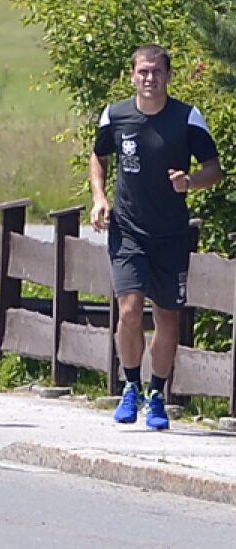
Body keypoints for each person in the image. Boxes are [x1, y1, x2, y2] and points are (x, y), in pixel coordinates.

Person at [90, 44, 223, 431]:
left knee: (167, 316)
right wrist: (99, 197)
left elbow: (215, 169)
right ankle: (130, 386)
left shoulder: (186, 118)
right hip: (128, 231)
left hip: (170, 235)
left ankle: (157, 394)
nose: (150, 78)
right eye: (143, 72)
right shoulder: (115, 115)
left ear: (168, 76)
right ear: (132, 75)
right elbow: (99, 156)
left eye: (157, 71)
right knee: (130, 311)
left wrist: (190, 181)